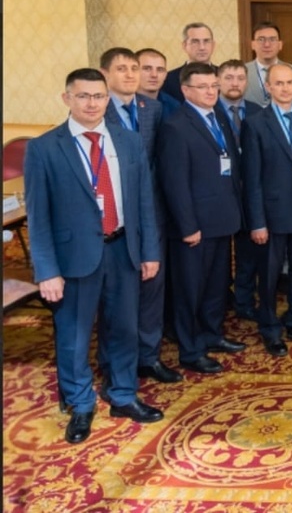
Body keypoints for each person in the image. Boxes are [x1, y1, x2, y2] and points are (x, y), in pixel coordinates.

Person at [26, 68, 164, 443]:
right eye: (83, 96)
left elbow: (143, 202)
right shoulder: (44, 148)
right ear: (67, 99)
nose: (92, 103)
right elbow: (38, 217)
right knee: (74, 336)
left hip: (123, 250)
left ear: (107, 98)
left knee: (124, 328)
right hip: (73, 258)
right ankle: (80, 403)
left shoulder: (128, 141)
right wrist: (46, 271)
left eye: (98, 96)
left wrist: (149, 251)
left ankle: (123, 394)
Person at [158, 62, 246, 374]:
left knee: (216, 286)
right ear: (185, 90)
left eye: (213, 86)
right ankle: (191, 350)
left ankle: (211, 334)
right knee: (190, 291)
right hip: (194, 226)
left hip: (222, 219)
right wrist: (188, 226)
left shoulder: (218, 116)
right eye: (203, 87)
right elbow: (175, 183)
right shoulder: (175, 126)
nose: (211, 92)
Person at [99, 47, 180, 385]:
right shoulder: (97, 111)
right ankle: (116, 364)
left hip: (152, 213)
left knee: (152, 288)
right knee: (117, 295)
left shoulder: (153, 109)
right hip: (114, 218)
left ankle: (149, 356)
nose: (131, 75)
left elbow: (160, 162)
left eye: (134, 68)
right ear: (105, 75)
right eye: (122, 69)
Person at [241, 64, 292, 356]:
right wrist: (257, 222)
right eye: (279, 83)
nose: (285, 88)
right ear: (269, 87)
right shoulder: (255, 123)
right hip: (272, 213)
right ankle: (270, 328)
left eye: (290, 83)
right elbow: (251, 178)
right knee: (270, 275)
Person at [216, 59, 263, 321]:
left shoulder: (257, 111)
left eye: (240, 78)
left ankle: (244, 301)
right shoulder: (210, 111)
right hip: (221, 193)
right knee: (220, 254)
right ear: (218, 81)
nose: (235, 83)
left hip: (250, 191)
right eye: (229, 78)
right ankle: (220, 299)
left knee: (248, 252)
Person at [241, 22, 292, 107]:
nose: (267, 44)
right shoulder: (242, 71)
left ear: (280, 45)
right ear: (253, 45)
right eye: (261, 39)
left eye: (272, 39)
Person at [162, 22, 215, 103]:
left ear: (213, 45)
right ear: (184, 45)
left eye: (206, 41)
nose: (202, 47)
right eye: (195, 42)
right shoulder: (169, 79)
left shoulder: (224, 76)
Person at [136, 47, 181, 118]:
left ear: (165, 75)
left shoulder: (174, 106)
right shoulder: (124, 102)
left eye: (160, 70)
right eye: (147, 69)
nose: (154, 75)